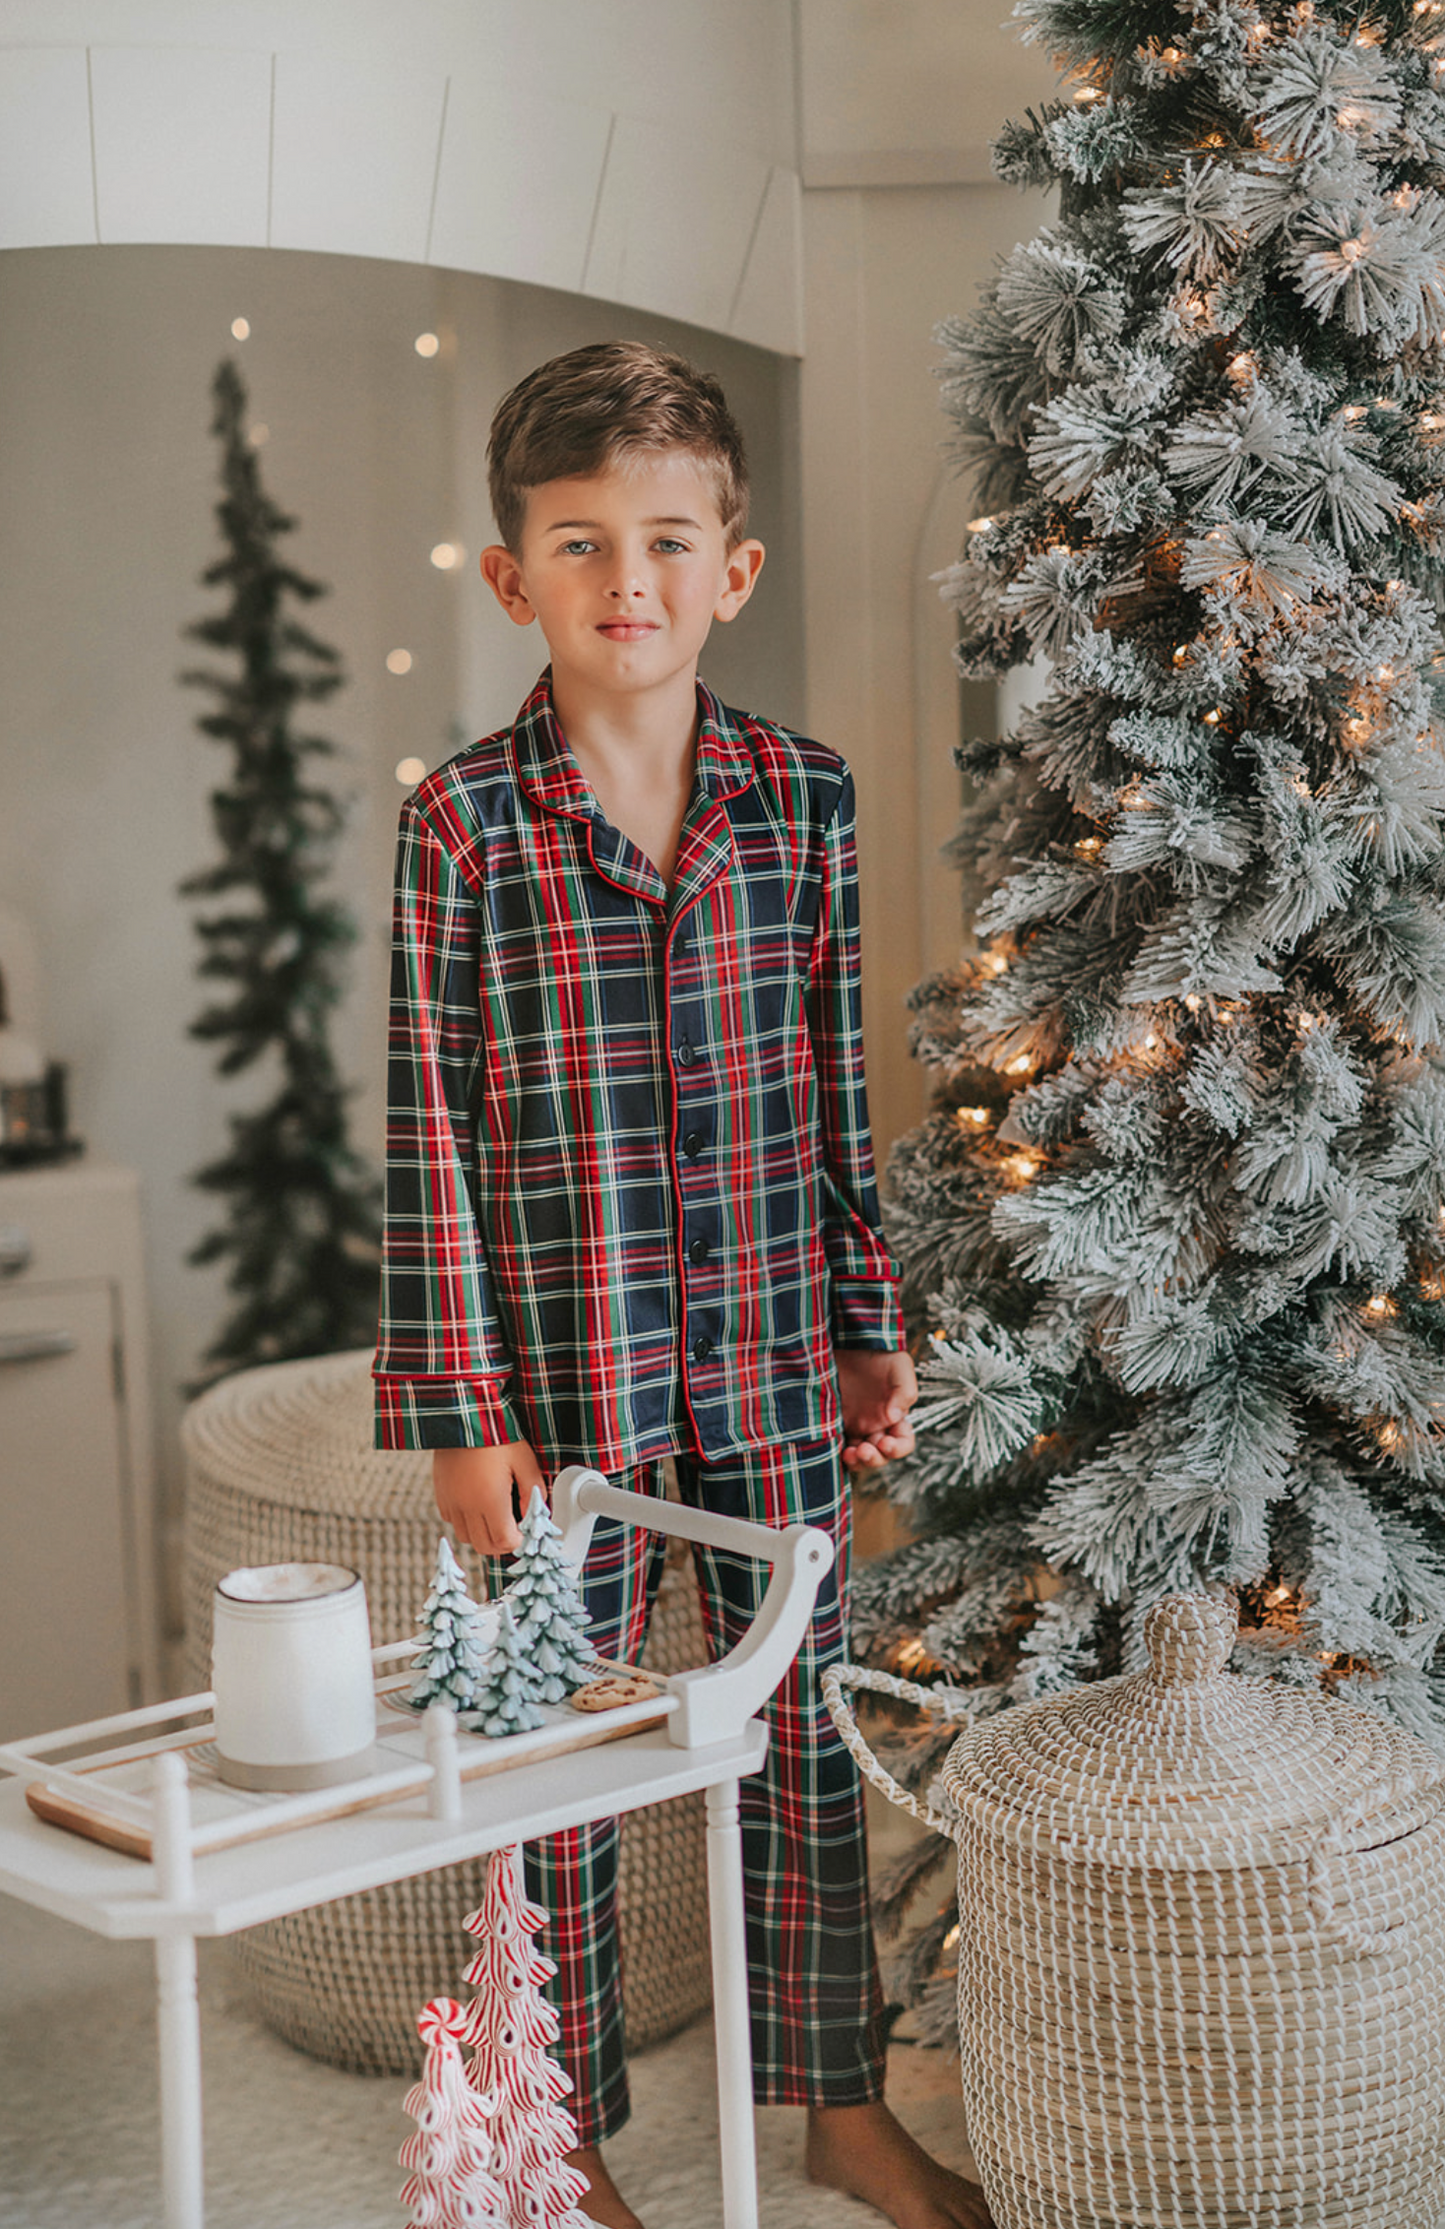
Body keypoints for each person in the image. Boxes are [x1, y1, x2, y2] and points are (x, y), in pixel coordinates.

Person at [374, 340, 991, 2229]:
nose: (623, 581)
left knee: (796, 1739)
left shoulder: (801, 804)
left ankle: (835, 2104)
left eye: (662, 541)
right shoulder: (464, 830)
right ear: (512, 580)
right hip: (563, 1394)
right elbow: (432, 1138)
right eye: (578, 544)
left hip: (765, 1364)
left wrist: (865, 1320)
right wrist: (459, 1416)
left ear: (732, 568)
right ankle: (550, 2141)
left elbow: (827, 1090)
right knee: (549, 1763)